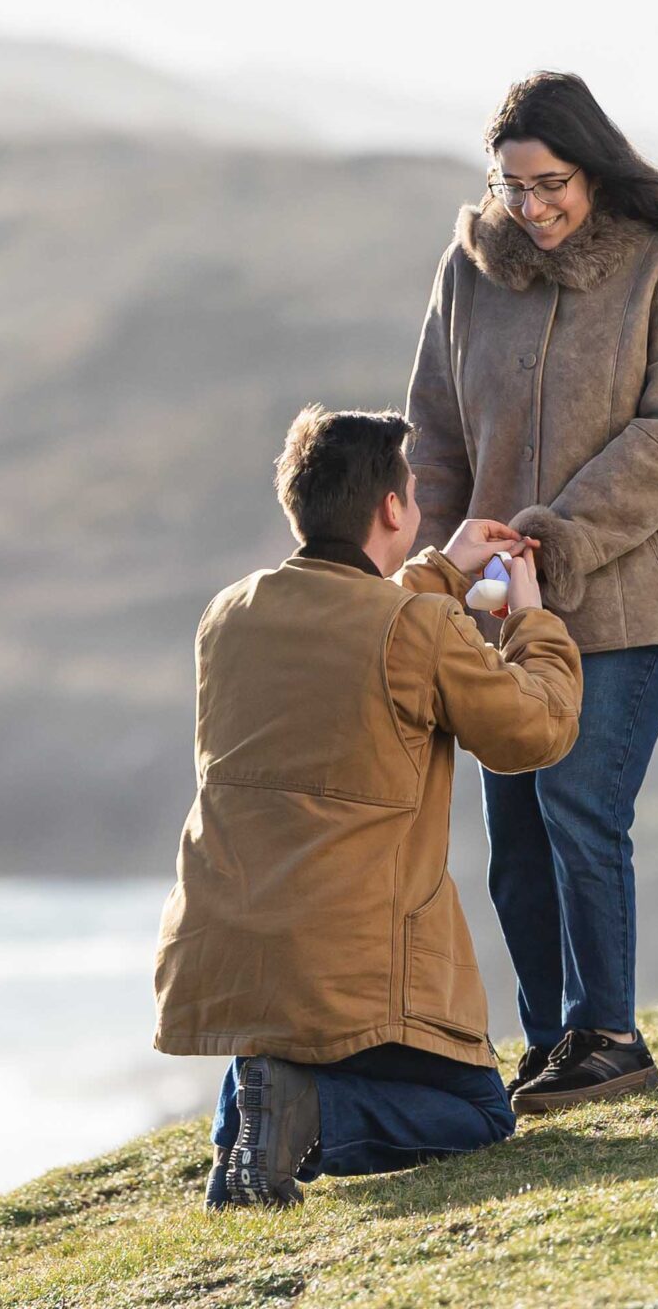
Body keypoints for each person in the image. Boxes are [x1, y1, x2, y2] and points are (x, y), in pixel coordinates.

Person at [152, 406, 583, 1208]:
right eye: (412, 490)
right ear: (391, 508)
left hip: (236, 954)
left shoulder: (229, 616)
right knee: (478, 1113)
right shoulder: (416, 627)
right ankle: (307, 1111)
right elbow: (535, 729)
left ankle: (250, 1133)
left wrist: (443, 571)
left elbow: (356, 624)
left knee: (283, 1043)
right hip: (359, 965)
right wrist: (530, 620)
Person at [403, 70, 658, 1114]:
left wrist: (559, 537)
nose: (531, 206)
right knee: (513, 839)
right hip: (498, 610)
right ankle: (550, 1042)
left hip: (630, 595)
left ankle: (613, 1037)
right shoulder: (469, 275)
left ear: (592, 167)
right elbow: (435, 432)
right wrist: (431, 571)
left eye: (549, 184)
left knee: (578, 805)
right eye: (511, 187)